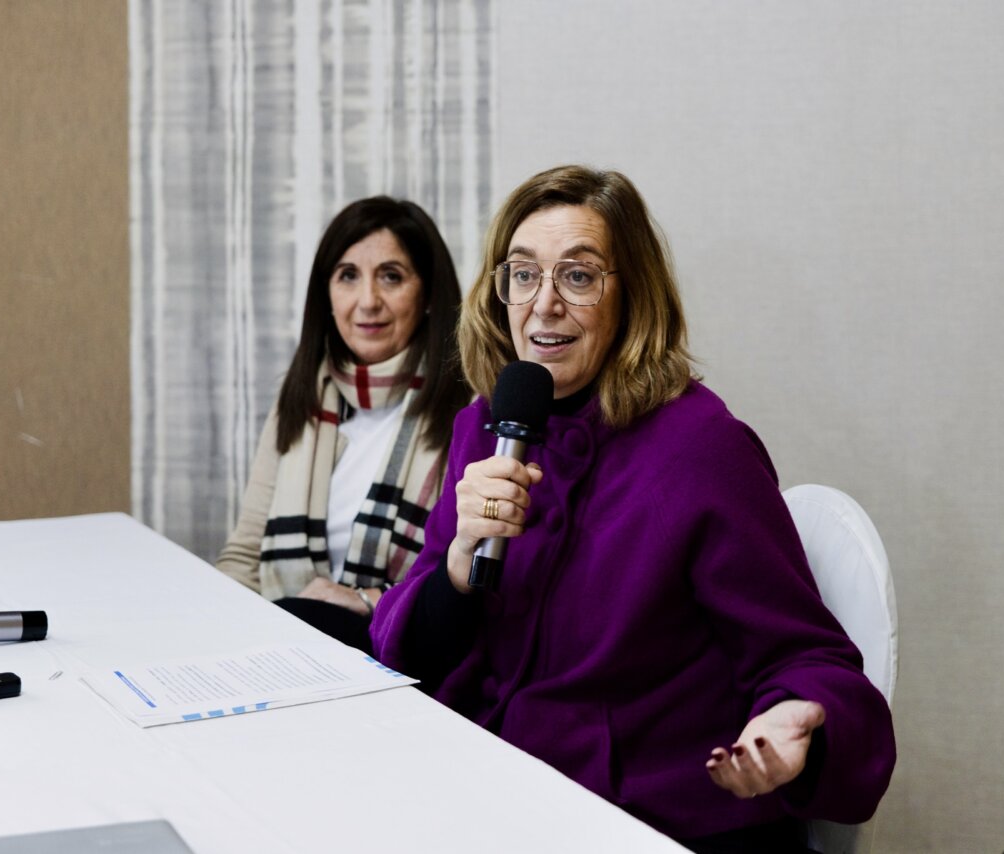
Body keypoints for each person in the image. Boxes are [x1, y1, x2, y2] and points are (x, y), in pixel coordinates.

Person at [370, 166, 895, 852]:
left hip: (649, 817)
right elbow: (417, 643)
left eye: (579, 277)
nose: (544, 305)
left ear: (633, 300)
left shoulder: (702, 449)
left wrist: (794, 719)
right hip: (496, 785)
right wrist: (460, 572)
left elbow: (808, 654)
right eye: (524, 275)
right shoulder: (485, 426)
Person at [216, 196, 470, 653]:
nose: (367, 301)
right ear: (326, 294)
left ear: (429, 295)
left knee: (309, 616)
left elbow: (465, 584)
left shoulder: (468, 409)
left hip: (399, 650)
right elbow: (244, 555)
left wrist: (364, 600)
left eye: (391, 277)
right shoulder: (301, 396)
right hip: (276, 644)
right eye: (348, 275)